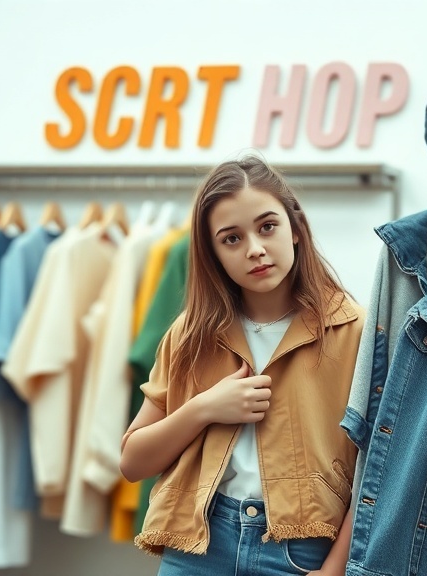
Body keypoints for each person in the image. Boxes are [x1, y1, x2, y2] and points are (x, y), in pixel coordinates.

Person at [120, 155, 365, 576]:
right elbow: (132, 462)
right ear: (213, 253)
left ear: (296, 229)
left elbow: (373, 466)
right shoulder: (190, 334)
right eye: (231, 239)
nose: (255, 249)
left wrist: (336, 568)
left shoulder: (353, 330)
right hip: (198, 548)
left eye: (267, 227)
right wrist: (204, 408)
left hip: (300, 552)